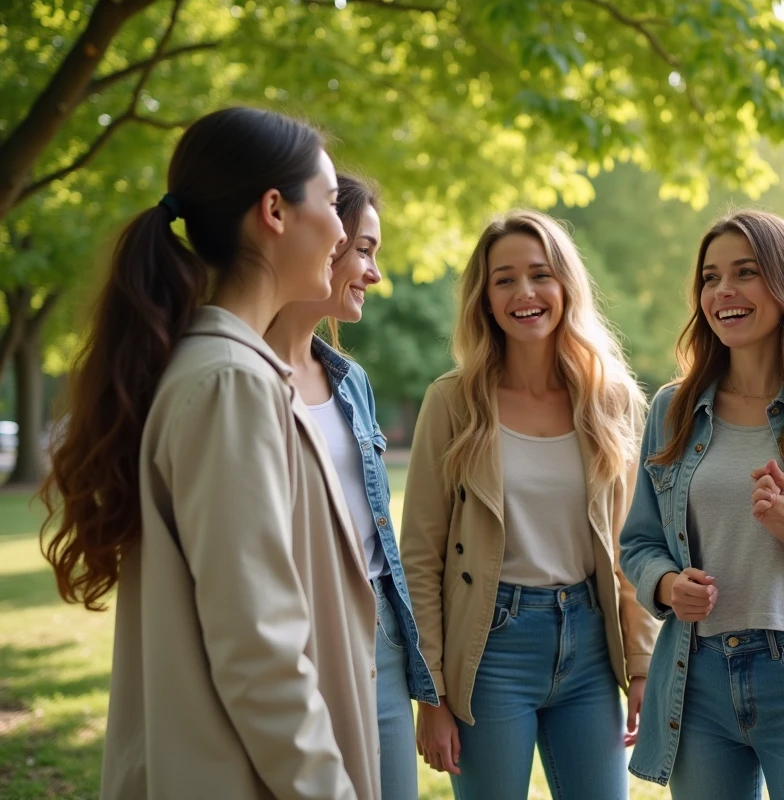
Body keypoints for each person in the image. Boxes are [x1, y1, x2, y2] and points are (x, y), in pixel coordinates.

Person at [40, 107, 380, 800]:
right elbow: (258, 647)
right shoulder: (230, 383)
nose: (342, 233)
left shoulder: (228, 371)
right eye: (329, 203)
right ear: (274, 212)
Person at [401, 210, 659, 800]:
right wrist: (432, 694)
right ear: (485, 299)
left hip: (590, 648)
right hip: (490, 648)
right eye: (505, 280)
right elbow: (419, 557)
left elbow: (631, 546)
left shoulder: (611, 399)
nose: (525, 293)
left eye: (540, 275)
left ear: (565, 285)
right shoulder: (453, 402)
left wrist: (643, 664)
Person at [619, 210, 784, 798]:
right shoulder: (672, 410)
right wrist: (667, 585)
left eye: (745, 272)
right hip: (698, 674)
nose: (723, 292)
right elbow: (639, 542)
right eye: (710, 278)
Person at [264, 172, 437, 800]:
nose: (374, 273)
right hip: (290, 634)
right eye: (363, 249)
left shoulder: (350, 381)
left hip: (377, 636)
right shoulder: (240, 377)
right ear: (325, 240)